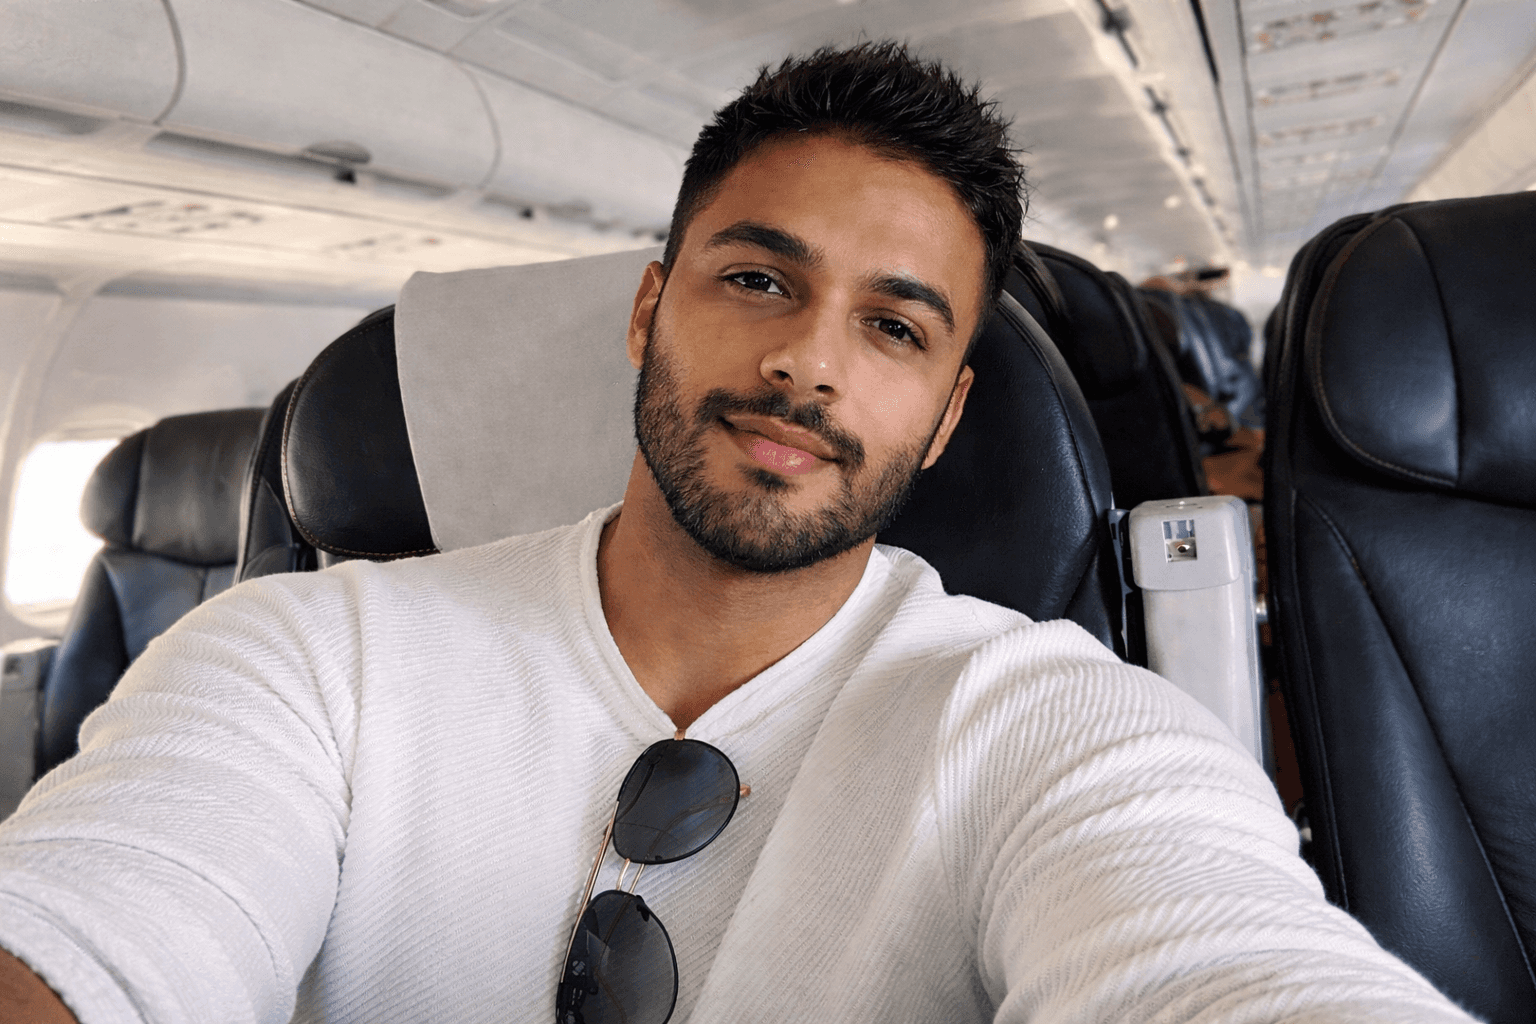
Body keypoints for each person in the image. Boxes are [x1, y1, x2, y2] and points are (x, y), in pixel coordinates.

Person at [0, 42, 1476, 1024]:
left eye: (893, 326)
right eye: (760, 280)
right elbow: (107, 916)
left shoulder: (1047, 723)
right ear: (650, 308)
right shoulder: (311, 660)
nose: (807, 364)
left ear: (948, 417)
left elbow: (1220, 953)